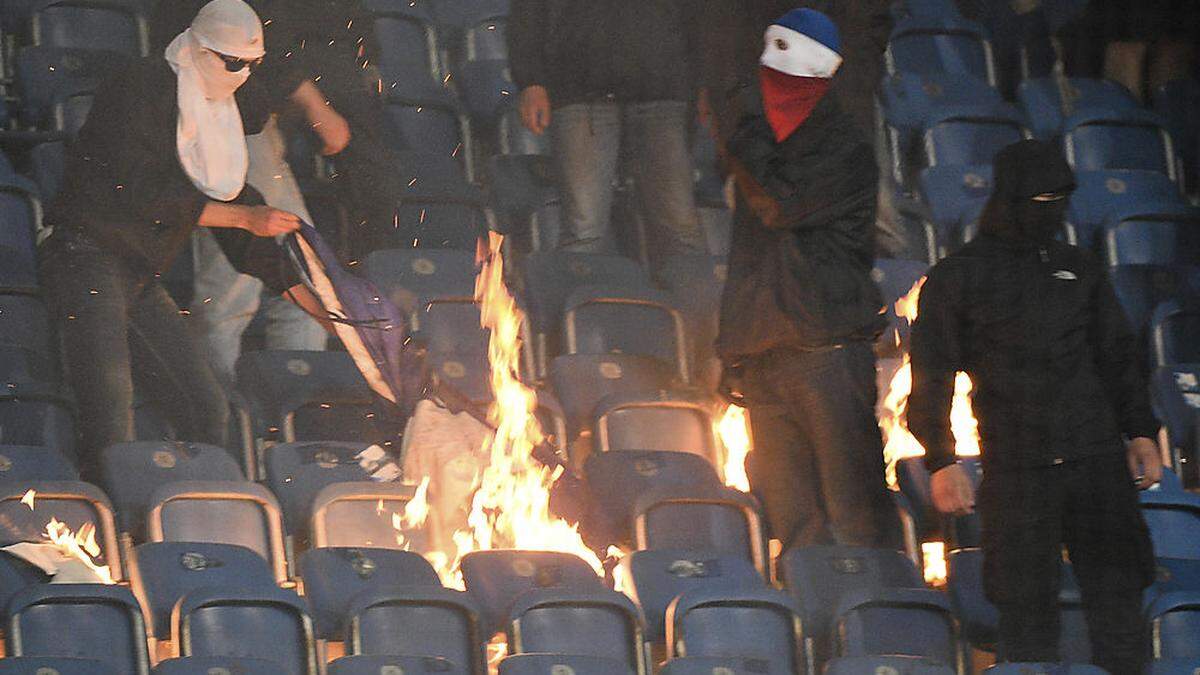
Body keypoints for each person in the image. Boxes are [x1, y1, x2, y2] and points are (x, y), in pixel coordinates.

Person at [39, 0, 326, 478]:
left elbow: (243, 225)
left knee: (205, 409)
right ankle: (108, 531)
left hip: (138, 274)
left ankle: (188, 513)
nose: (241, 75)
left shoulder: (215, 115)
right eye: (233, 63)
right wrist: (244, 217)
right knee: (110, 409)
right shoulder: (143, 86)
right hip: (85, 257)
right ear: (201, 49)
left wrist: (318, 306)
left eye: (251, 66)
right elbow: (135, 193)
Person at [907, 139, 1160, 674]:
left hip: (1098, 464)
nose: (1052, 210)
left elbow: (1117, 355)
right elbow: (933, 372)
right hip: (1017, 468)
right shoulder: (959, 275)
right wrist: (942, 458)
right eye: (1040, 199)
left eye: (1060, 198)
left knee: (1121, 614)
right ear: (1012, 198)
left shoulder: (1081, 267)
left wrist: (1141, 432)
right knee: (1025, 622)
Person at [716, 9, 900, 552]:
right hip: (765, 356)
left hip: (827, 352)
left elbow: (781, 207)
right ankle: (819, 624)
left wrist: (744, 144)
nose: (770, 87)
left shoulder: (843, 150)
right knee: (795, 524)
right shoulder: (764, 147)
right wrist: (732, 349)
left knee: (854, 515)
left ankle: (878, 625)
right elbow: (747, 260)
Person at [507, 0, 706, 280]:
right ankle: (573, 317)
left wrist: (706, 81)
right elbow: (528, 10)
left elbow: (701, 14)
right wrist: (530, 80)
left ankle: (697, 318)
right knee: (584, 230)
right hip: (581, 90)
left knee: (680, 228)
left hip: (663, 89)